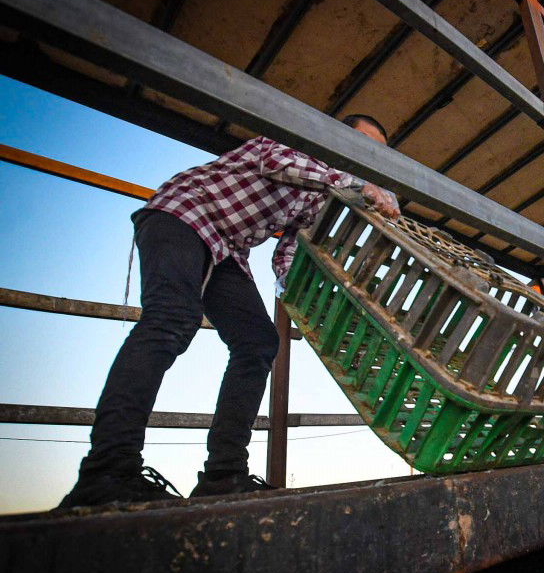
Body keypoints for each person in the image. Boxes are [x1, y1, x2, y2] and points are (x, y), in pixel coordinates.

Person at [58, 115, 400, 508]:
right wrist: (359, 187)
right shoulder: (294, 145)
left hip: (225, 249)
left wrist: (308, 303)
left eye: (374, 156)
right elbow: (279, 165)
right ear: (335, 137)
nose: (362, 160)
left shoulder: (324, 195)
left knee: (259, 342)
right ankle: (107, 471)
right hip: (182, 214)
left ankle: (224, 474)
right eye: (359, 145)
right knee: (172, 318)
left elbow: (288, 253)